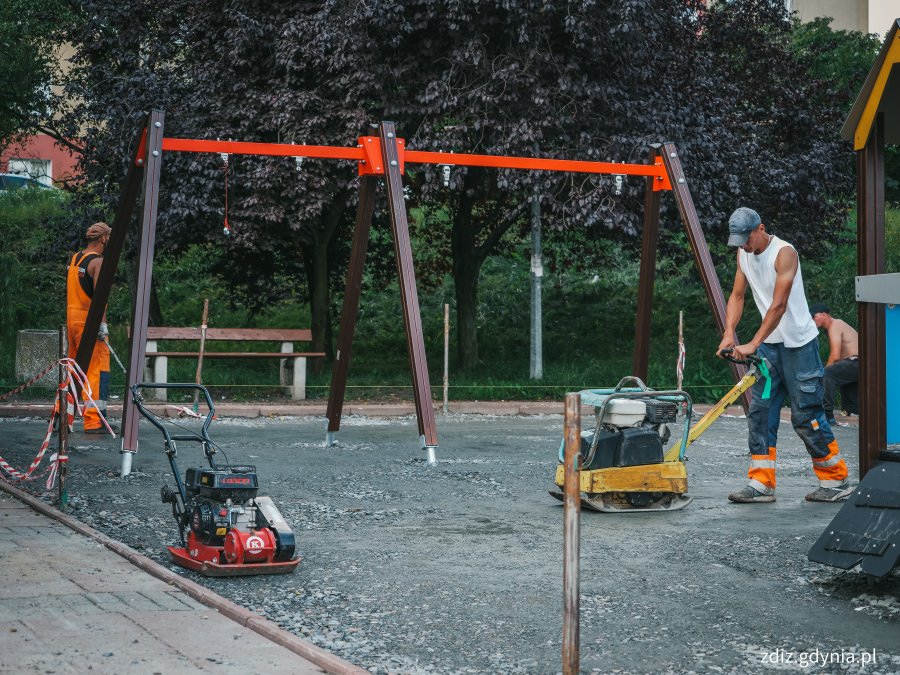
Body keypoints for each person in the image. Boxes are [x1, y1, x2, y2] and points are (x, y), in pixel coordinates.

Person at [716, 207, 852, 503]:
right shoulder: (743, 255)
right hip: (770, 351)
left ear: (760, 228)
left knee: (806, 415)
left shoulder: (784, 253)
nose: (743, 245)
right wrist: (729, 333)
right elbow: (737, 296)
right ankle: (761, 483)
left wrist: (751, 343)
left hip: (799, 347)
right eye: (738, 240)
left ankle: (835, 480)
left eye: (746, 238)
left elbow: (778, 305)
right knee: (760, 412)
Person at [66, 222, 115, 434]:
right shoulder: (98, 262)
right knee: (96, 368)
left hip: (72, 319)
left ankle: (63, 415)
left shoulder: (76, 258)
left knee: (73, 367)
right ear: (103, 238)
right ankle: (95, 420)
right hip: (89, 320)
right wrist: (101, 325)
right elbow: (99, 299)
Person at [809, 303, 859, 425]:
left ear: (824, 315)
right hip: (856, 364)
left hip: (857, 363)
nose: (812, 320)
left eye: (813, 317)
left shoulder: (835, 325)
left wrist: (824, 371)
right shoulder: (832, 327)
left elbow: (835, 355)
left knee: (828, 373)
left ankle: (827, 415)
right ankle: (852, 411)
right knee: (838, 371)